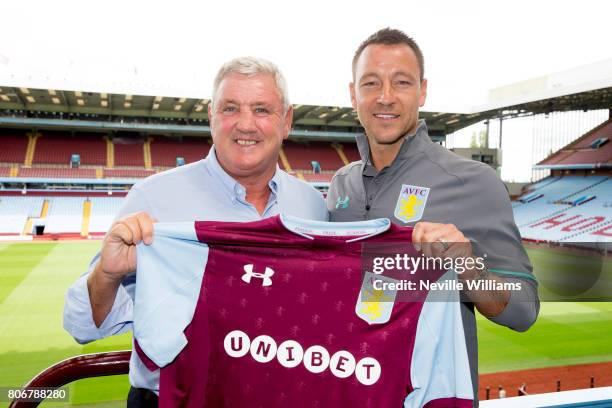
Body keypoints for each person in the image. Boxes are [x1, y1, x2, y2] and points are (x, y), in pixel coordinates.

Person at [63, 56, 327, 406]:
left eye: (262, 109)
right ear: (211, 116)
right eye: (230, 108)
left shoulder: (312, 206)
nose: (245, 124)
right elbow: (83, 328)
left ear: (287, 121)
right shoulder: (153, 199)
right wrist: (107, 275)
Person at [326, 28, 540, 404]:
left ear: (422, 91)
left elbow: (523, 311)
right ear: (353, 94)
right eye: (371, 82)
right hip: (346, 388)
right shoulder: (342, 185)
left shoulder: (473, 182)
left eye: (402, 82)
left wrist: (469, 268)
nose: (386, 97)